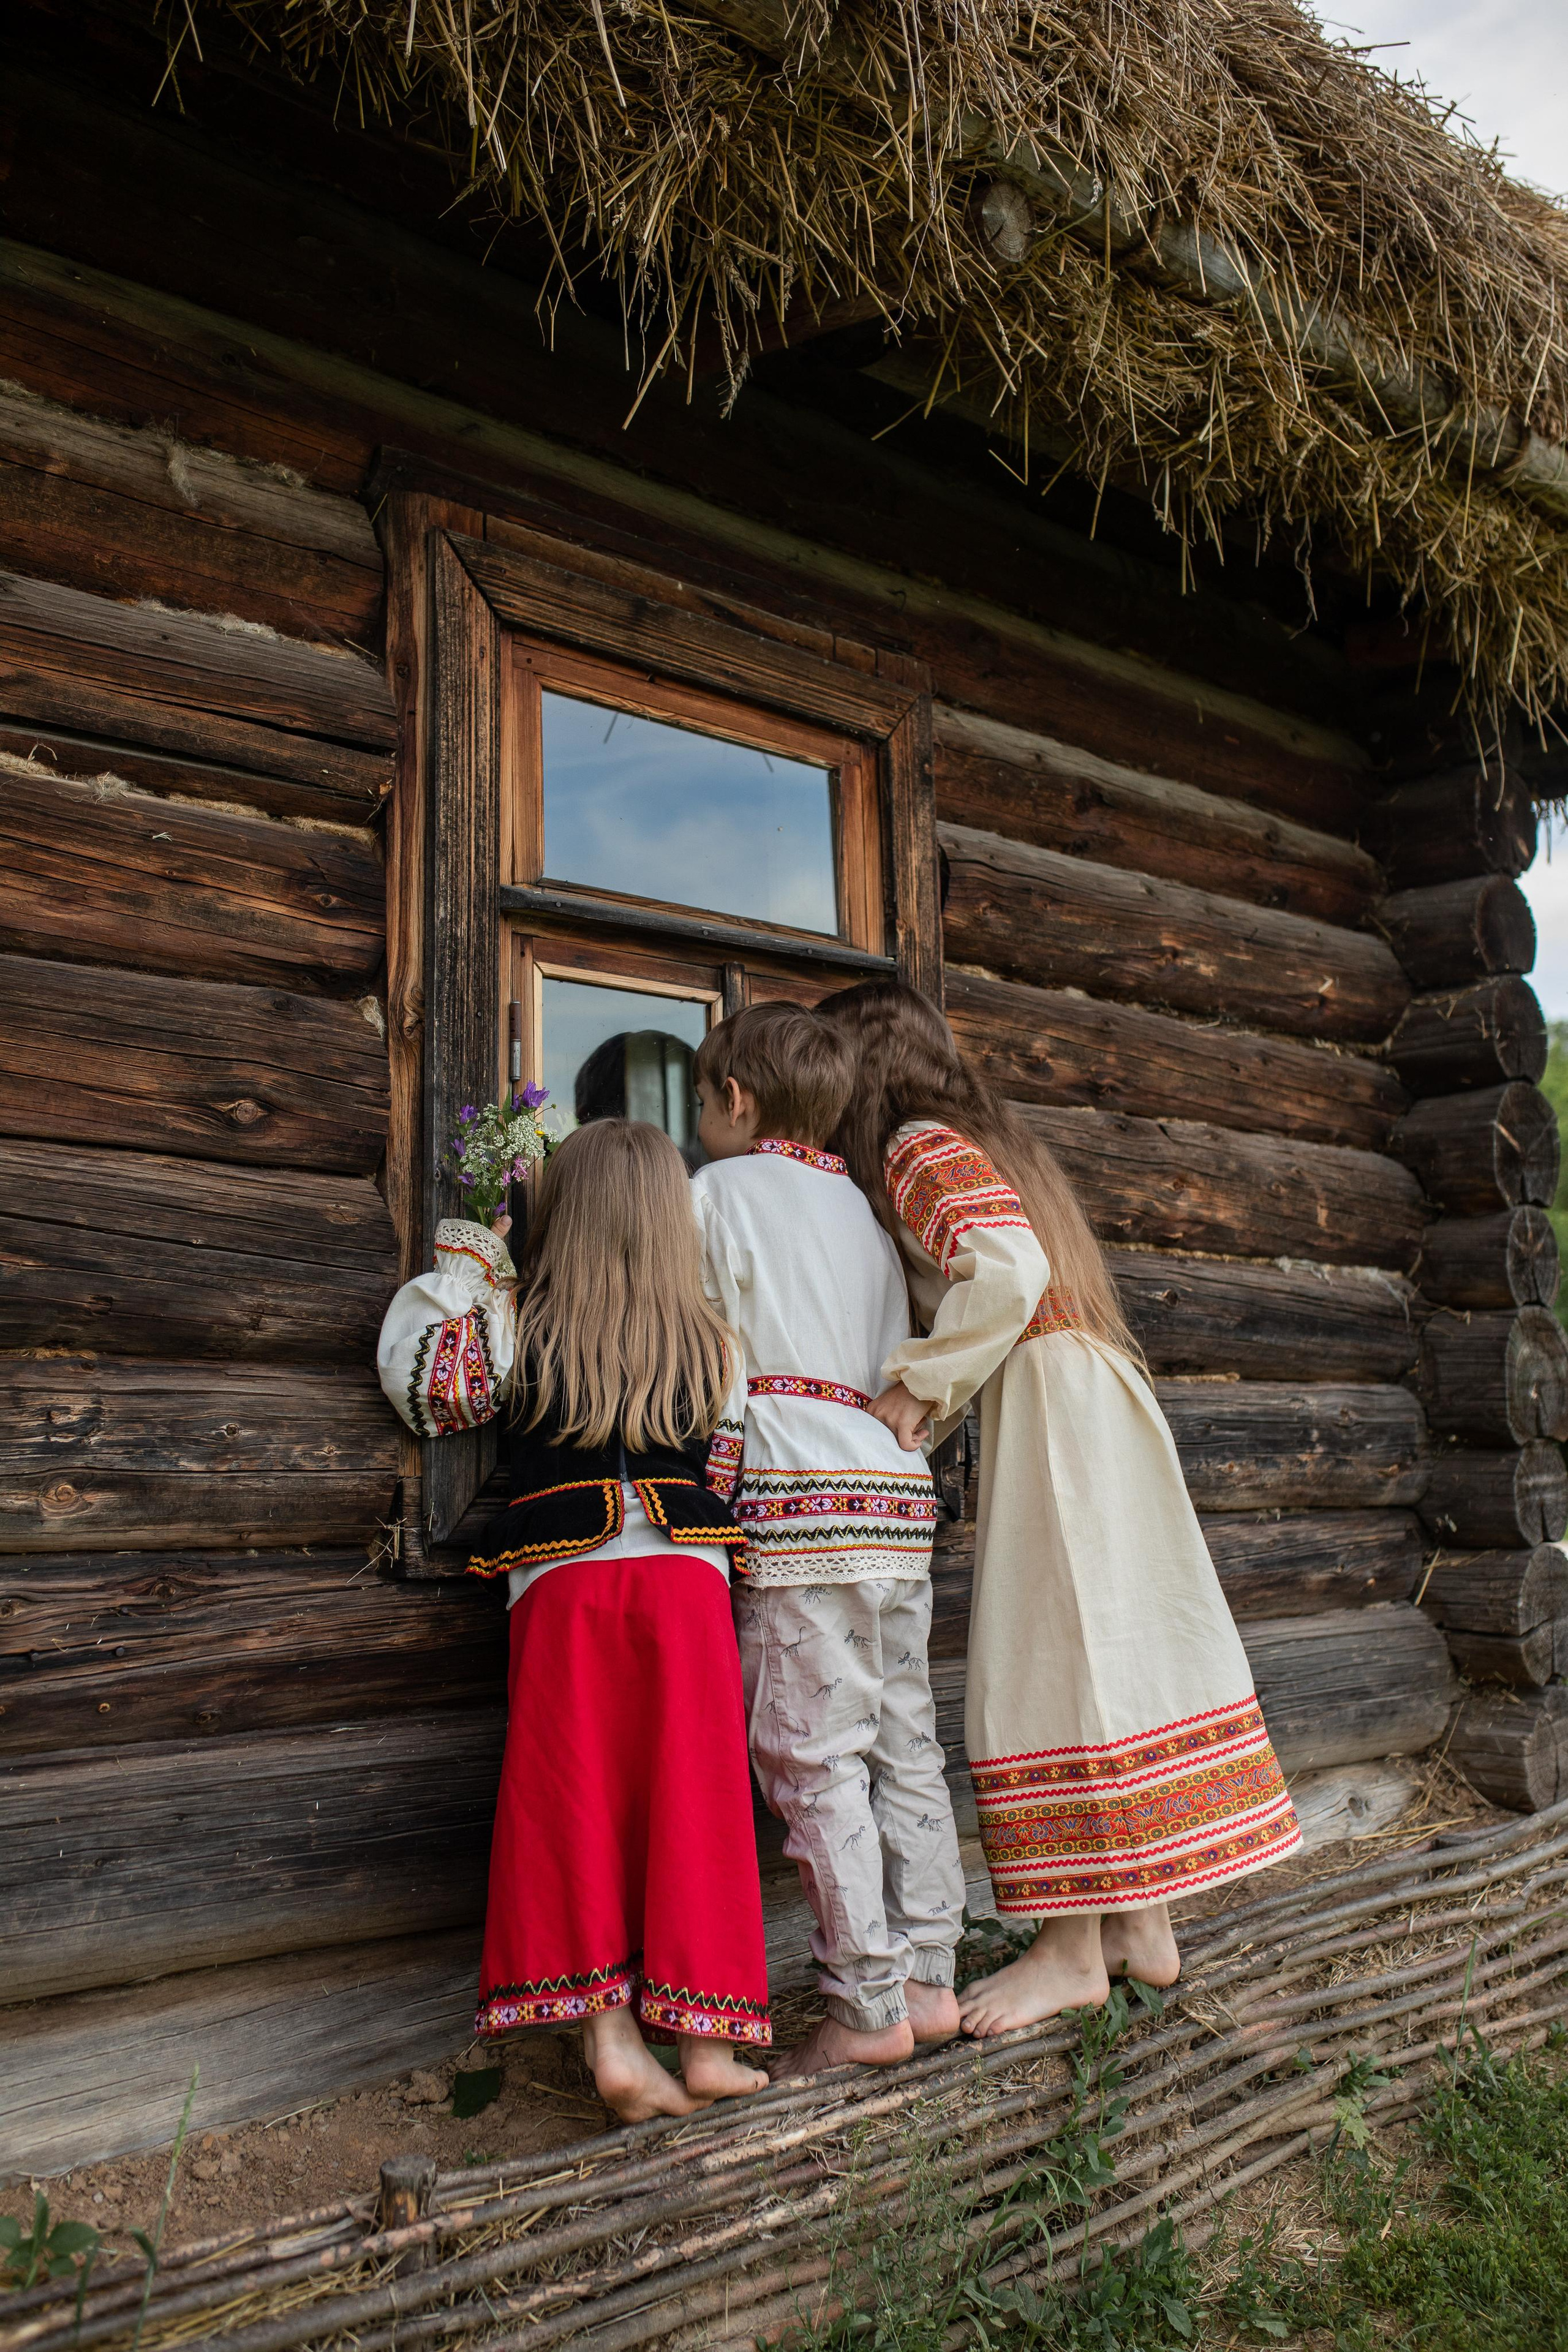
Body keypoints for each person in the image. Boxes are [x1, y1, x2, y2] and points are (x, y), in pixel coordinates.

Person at [817, 979, 1302, 2036]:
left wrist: (924, 1380)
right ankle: (1141, 1923)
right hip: (1087, 1390)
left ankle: (1069, 1950)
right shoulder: (990, 1137)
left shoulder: (913, 1143)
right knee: (1108, 1655)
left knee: (1052, 1663)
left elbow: (1010, 1268)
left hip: (1056, 1406)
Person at [376, 1118, 772, 2119]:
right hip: (686, 1583)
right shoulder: (716, 1345)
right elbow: (725, 1471)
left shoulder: (518, 1325)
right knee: (699, 1799)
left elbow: (427, 1385)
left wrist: (474, 1247)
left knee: (575, 1800)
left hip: (567, 1585)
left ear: (567, 1214)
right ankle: (710, 2044)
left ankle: (613, 2043)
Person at [691, 1001, 968, 2075]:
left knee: (813, 1758)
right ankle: (932, 1976)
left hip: (800, 1501)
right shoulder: (861, 1208)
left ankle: (865, 2010)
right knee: (904, 1738)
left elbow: (700, 1354)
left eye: (704, 1099)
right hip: (893, 1501)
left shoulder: (714, 1192)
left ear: (737, 1100)